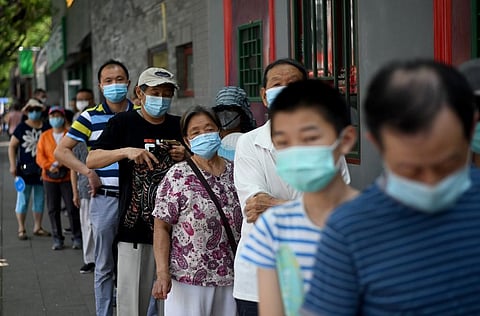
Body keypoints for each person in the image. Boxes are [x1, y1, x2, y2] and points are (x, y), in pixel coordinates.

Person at [302, 60, 480, 315]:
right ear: (376, 141)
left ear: (472, 127)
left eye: (446, 165)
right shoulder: (350, 232)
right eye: (410, 170)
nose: (430, 182)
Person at [240, 79, 359, 316]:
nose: (295, 151)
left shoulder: (376, 221)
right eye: (283, 142)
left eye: (310, 138)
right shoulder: (271, 230)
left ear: (345, 140)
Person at [86, 67, 187, 316]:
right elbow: (92, 159)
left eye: (167, 93)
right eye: (155, 92)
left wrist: (187, 155)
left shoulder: (179, 125)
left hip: (180, 233)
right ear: (139, 93)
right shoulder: (124, 123)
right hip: (136, 231)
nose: (161, 98)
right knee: (133, 305)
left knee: (175, 306)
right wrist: (126, 151)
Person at [54, 59, 137, 316]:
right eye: (109, 81)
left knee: (137, 266)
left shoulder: (140, 114)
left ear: (129, 83)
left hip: (137, 200)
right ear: (101, 86)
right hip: (105, 198)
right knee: (104, 265)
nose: (115, 85)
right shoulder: (90, 116)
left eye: (120, 79)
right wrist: (87, 171)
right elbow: (61, 151)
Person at [152, 105, 242, 316]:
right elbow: (161, 227)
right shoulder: (177, 176)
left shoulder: (235, 171)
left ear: (219, 132)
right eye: (196, 132)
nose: (204, 135)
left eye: (209, 129)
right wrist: (162, 273)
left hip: (232, 276)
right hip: (188, 279)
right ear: (186, 140)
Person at [36, 106, 82, 250]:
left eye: (58, 116)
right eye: (52, 116)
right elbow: (39, 156)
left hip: (67, 176)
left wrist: (62, 163)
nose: (55, 119)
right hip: (49, 178)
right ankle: (57, 238)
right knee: (52, 209)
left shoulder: (70, 135)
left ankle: (77, 236)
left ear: (63, 118)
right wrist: (50, 166)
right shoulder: (44, 136)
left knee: (72, 207)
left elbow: (73, 154)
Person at [8, 98, 51, 240]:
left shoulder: (46, 127)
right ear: (26, 112)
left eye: (37, 110)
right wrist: (13, 165)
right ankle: (21, 228)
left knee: (39, 199)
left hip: (42, 170)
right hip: (24, 171)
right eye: (31, 110)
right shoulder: (21, 127)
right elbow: (12, 146)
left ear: (41, 111)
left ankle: (37, 226)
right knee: (23, 199)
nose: (34, 112)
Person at [70, 88, 96, 273]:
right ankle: (90, 259)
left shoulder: (103, 121)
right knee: (87, 224)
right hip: (84, 185)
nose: (82, 103)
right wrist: (75, 191)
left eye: (85, 99)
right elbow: (73, 164)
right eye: (79, 100)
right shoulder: (76, 128)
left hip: (106, 185)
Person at [212, 86, 256, 161]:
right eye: (221, 109)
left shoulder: (253, 139)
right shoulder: (211, 141)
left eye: (230, 109)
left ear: (242, 113)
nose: (225, 114)